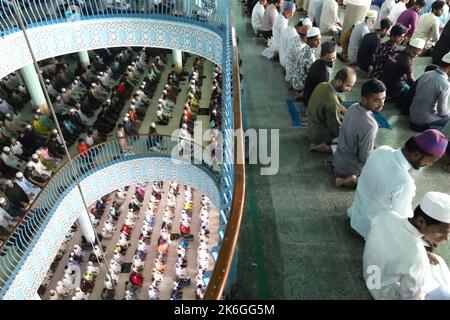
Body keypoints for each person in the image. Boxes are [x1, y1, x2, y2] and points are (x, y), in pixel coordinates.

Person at [348, 129, 448, 240]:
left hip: (355, 217)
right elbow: (403, 218)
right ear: (416, 155)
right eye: (431, 161)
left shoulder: (381, 150)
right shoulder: (404, 183)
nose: (429, 164)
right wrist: (424, 233)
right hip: (369, 231)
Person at [364, 192, 450, 300]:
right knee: (441, 280)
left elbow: (391, 243)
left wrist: (422, 254)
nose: (446, 238)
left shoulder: (387, 215)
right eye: (441, 231)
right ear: (421, 221)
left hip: (370, 277)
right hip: (384, 295)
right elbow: (409, 296)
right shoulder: (417, 257)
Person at [333, 79, 386, 188]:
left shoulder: (353, 107)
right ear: (364, 99)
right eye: (377, 100)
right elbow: (364, 158)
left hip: (338, 161)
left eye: (383, 99)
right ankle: (350, 180)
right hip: (349, 169)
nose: (381, 104)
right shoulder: (370, 125)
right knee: (384, 181)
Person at [307, 67, 357, 153]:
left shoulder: (323, 84)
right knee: (353, 145)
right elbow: (335, 129)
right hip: (318, 136)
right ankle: (325, 148)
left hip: (311, 128)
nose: (349, 90)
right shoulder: (332, 102)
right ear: (338, 82)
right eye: (348, 86)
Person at [409, 52, 450, 131]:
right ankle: (431, 129)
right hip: (424, 120)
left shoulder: (426, 74)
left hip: (412, 114)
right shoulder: (445, 84)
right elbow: (442, 111)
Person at [379, 38, 425, 103]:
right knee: (409, 88)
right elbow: (411, 80)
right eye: (415, 53)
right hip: (392, 88)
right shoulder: (406, 61)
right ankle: (391, 96)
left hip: (383, 80)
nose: (415, 56)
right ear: (417, 50)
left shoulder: (396, 52)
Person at [302, 41, 337, 108]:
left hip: (307, 97)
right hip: (312, 103)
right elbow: (321, 93)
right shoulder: (323, 73)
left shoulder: (317, 62)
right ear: (322, 57)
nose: (332, 61)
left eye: (334, 58)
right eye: (328, 59)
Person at [290, 27, 321, 93]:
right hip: (300, 86)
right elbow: (312, 76)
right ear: (309, 40)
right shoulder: (309, 56)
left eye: (319, 39)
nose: (319, 42)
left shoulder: (305, 47)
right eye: (316, 40)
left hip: (295, 81)